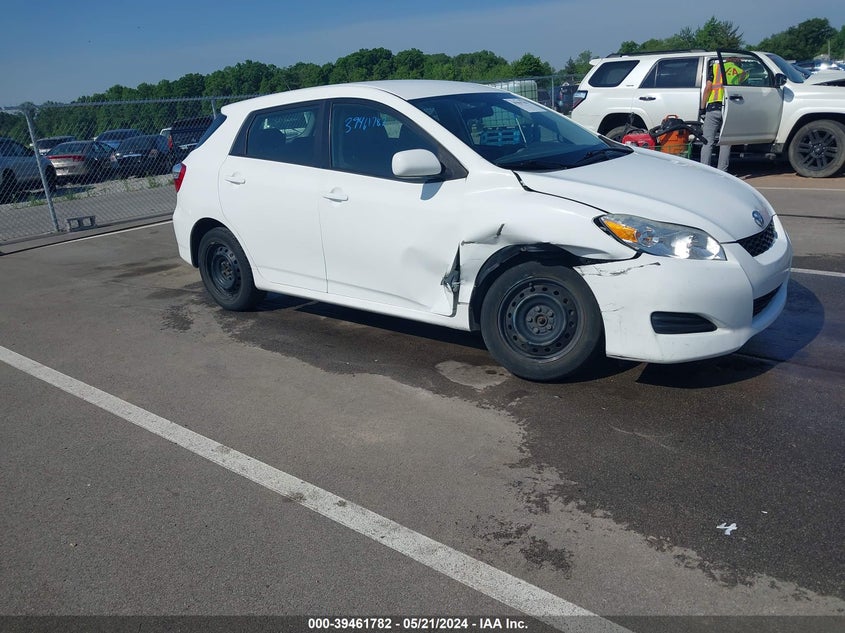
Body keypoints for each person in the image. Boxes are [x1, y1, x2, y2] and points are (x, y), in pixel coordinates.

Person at [699, 57, 747, 171]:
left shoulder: (716, 67)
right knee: (725, 142)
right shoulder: (742, 72)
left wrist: (702, 108)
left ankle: (704, 171)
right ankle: (722, 171)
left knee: (707, 141)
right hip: (730, 109)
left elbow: (708, 88)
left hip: (713, 107)